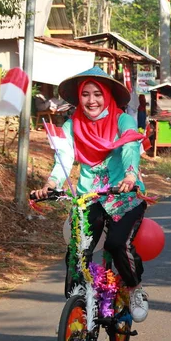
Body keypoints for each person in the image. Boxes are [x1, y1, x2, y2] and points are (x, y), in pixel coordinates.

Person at [31, 66, 150, 323]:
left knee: (117, 244)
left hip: (124, 195)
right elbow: (64, 156)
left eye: (97, 93)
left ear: (107, 95)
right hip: (91, 196)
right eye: (86, 94)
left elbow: (130, 148)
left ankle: (134, 289)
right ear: (79, 97)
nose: (92, 100)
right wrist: (51, 183)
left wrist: (130, 175)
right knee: (78, 249)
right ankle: (78, 306)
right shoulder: (73, 124)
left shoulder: (123, 120)